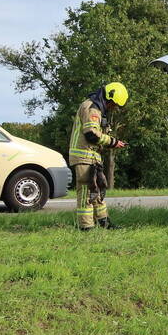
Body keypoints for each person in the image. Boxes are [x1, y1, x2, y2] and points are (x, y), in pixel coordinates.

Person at [69, 82, 128, 230]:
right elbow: (91, 135)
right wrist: (113, 142)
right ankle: (86, 227)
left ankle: (104, 222)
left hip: (92, 157)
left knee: (98, 191)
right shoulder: (92, 108)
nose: (114, 108)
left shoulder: (98, 108)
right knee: (86, 193)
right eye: (114, 105)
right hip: (84, 157)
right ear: (109, 99)